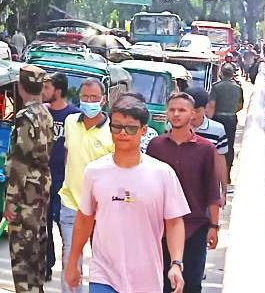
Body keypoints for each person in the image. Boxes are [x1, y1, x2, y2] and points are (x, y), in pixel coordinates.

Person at [64, 95, 190, 293]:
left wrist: (176, 263)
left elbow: (174, 221)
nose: (123, 133)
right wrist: (73, 262)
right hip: (104, 274)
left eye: (130, 128)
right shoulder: (94, 171)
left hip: (146, 279)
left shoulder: (163, 174)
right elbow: (85, 218)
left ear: (143, 130)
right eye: (117, 127)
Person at [147, 92, 220, 293]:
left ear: (193, 114)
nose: (176, 114)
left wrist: (214, 225)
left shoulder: (205, 149)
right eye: (172, 110)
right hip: (160, 229)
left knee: (191, 284)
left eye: (182, 110)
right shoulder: (156, 146)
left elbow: (211, 190)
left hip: (195, 227)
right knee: (159, 283)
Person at [58, 78, 114, 293]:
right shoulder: (70, 122)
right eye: (85, 97)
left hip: (103, 210)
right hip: (72, 204)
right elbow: (67, 154)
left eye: (94, 98)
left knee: (103, 265)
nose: (89, 101)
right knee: (70, 261)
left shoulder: (113, 130)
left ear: (103, 100)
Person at [4, 65, 55, 293]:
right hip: (42, 189)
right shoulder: (46, 114)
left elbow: (19, 161)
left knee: (22, 255)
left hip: (26, 193)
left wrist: (11, 200)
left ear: (20, 87)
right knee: (37, 252)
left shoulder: (25, 117)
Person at [41, 72, 80, 281]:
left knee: (65, 226)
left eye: (47, 88)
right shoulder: (42, 113)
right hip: (44, 178)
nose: (43, 92)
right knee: (43, 225)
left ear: (58, 90)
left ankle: (70, 269)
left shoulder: (74, 117)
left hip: (65, 180)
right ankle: (46, 265)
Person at [183, 87, 229, 206]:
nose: (192, 116)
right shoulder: (174, 128)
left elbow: (219, 161)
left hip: (205, 190)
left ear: (206, 108)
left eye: (197, 111)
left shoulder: (217, 130)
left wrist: (223, 190)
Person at [209, 64, 244, 176]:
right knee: (229, 145)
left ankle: (214, 170)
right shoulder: (238, 87)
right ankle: (227, 173)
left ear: (221, 73)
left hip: (217, 118)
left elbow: (211, 105)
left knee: (215, 144)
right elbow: (240, 105)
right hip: (231, 119)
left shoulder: (216, 86)